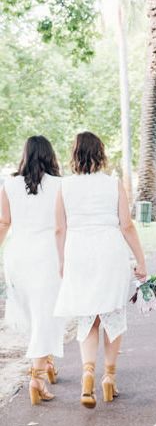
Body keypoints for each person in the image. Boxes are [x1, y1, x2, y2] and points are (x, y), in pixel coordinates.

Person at [54, 132, 147, 408]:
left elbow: (60, 228)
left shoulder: (65, 186)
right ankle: (108, 377)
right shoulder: (113, 184)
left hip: (79, 252)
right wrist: (140, 259)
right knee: (112, 314)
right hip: (109, 250)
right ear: (101, 153)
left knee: (88, 317)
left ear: (75, 153)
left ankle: (87, 376)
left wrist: (61, 260)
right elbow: (126, 225)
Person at [0, 136, 66, 405]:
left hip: (17, 256)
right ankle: (36, 378)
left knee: (33, 315)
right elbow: (64, 226)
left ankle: (46, 362)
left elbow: (4, 221)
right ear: (51, 156)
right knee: (45, 316)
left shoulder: (9, 184)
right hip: (47, 256)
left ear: (25, 155)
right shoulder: (60, 186)